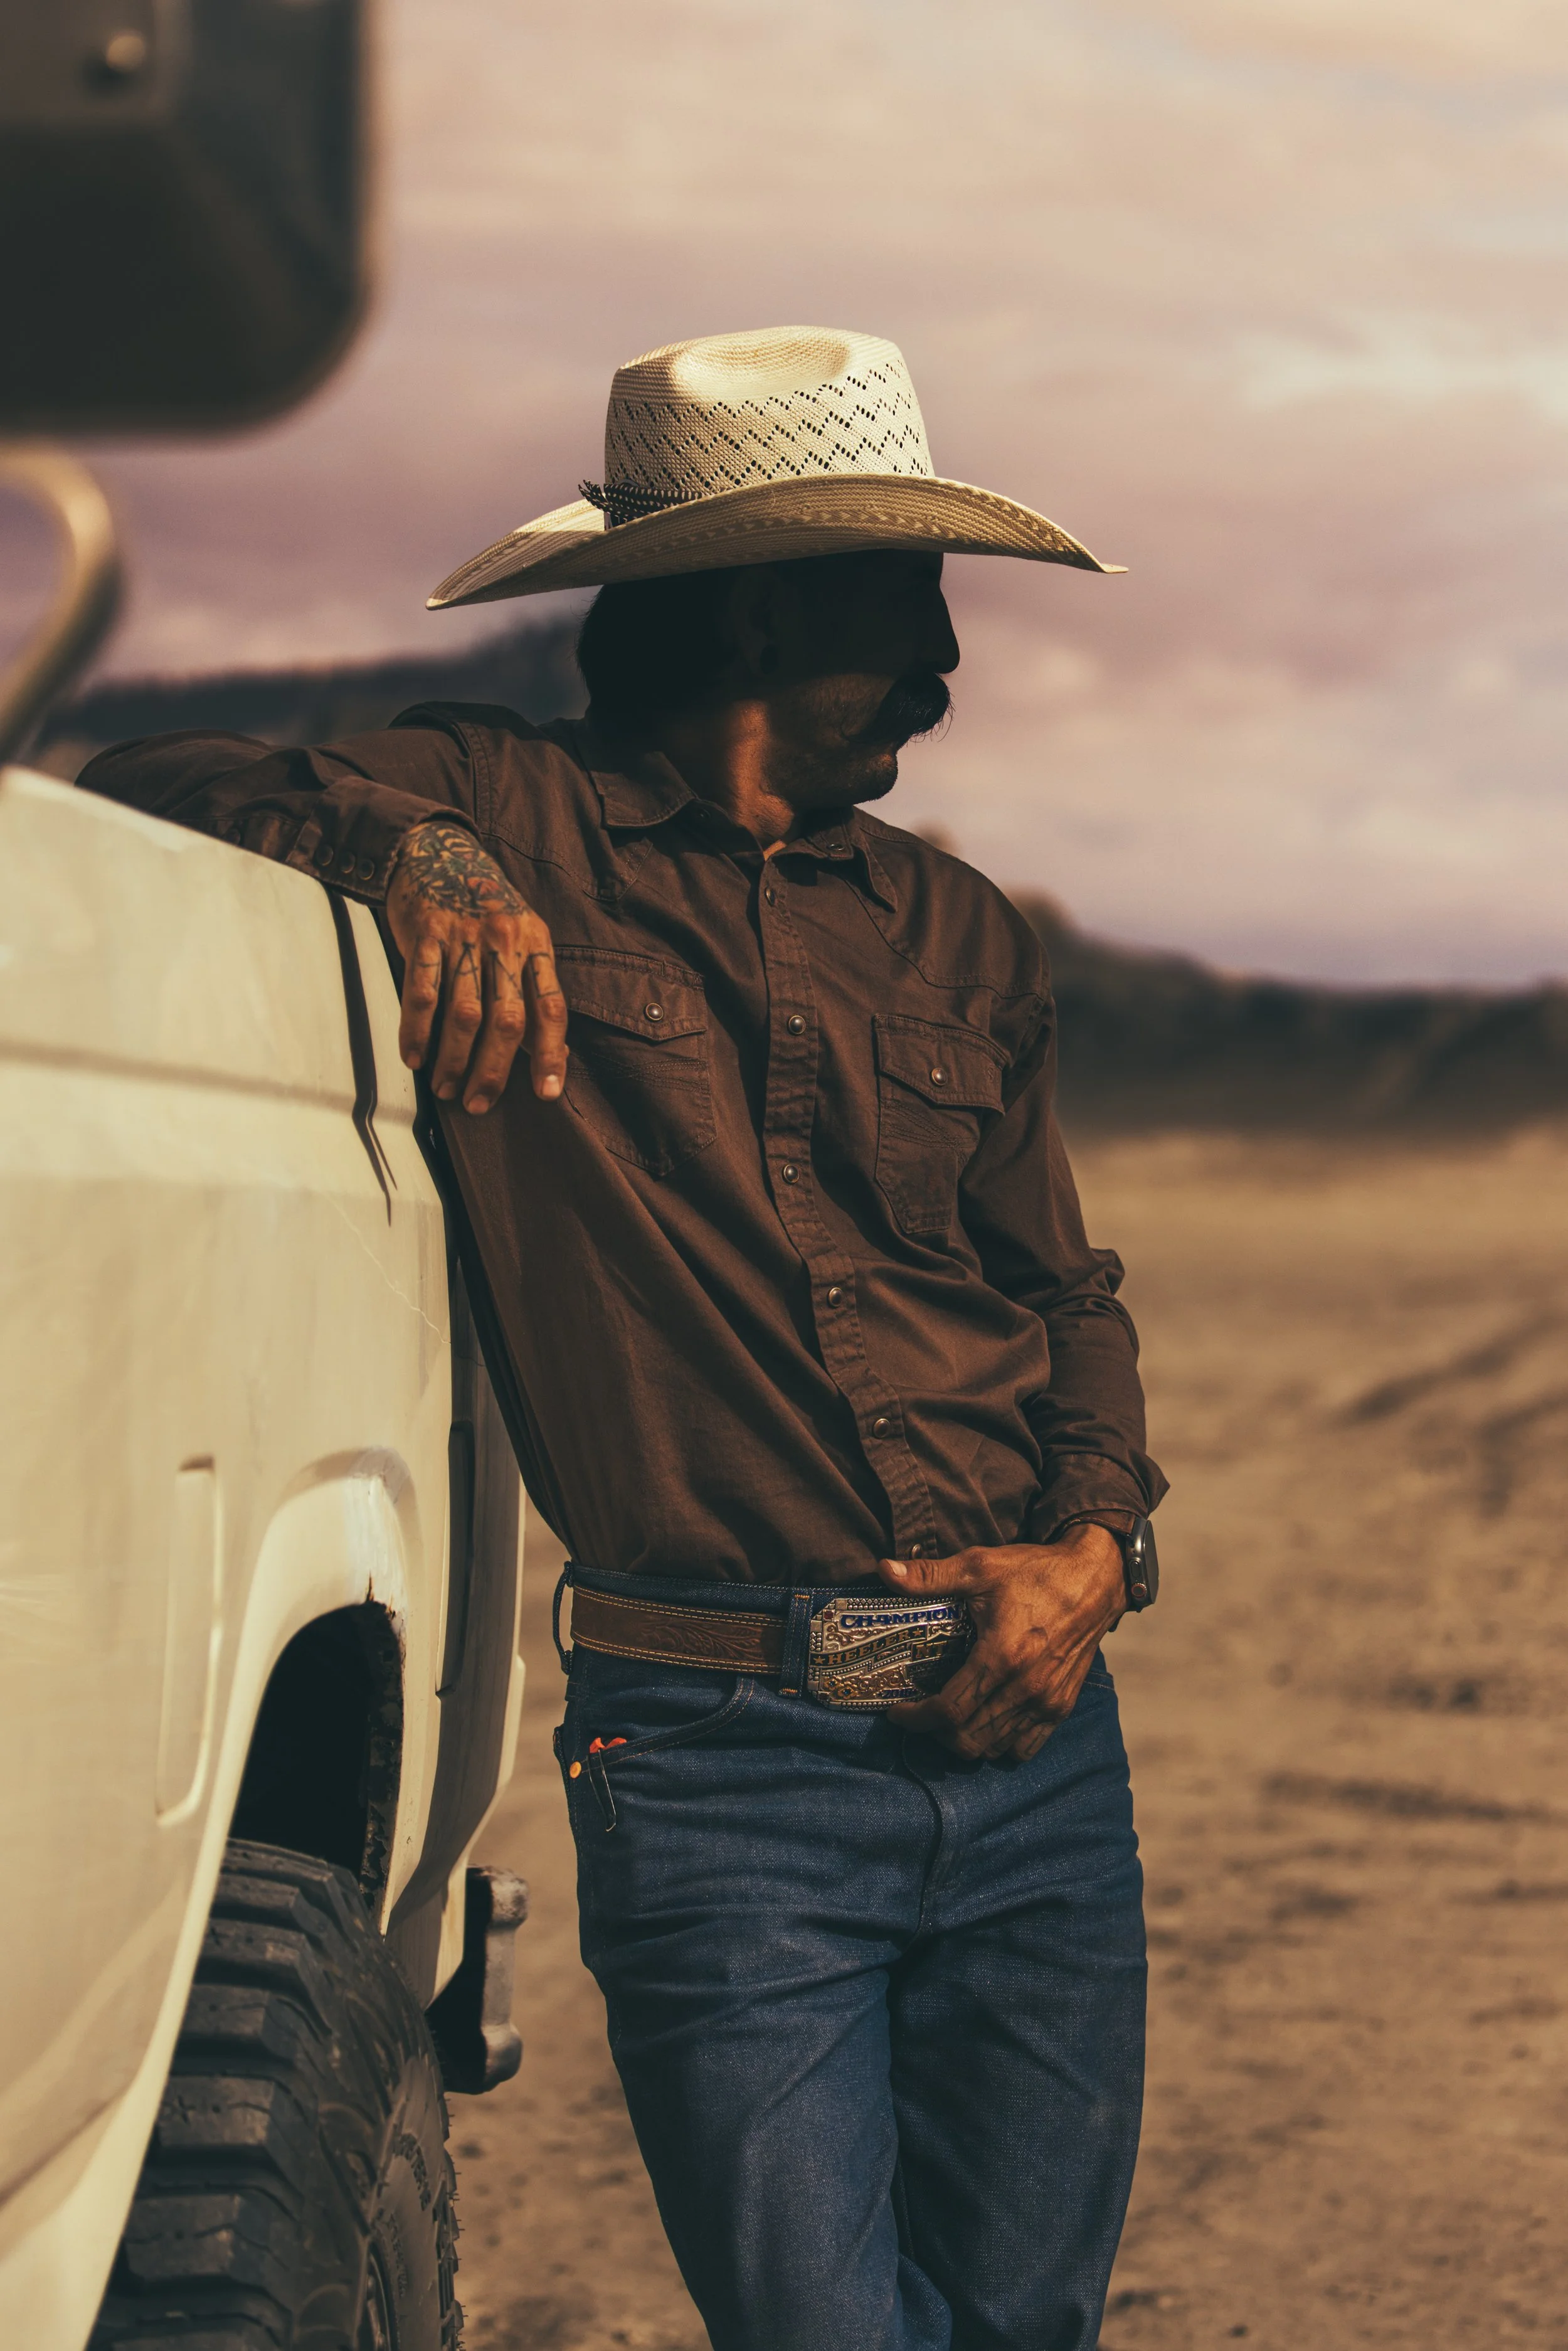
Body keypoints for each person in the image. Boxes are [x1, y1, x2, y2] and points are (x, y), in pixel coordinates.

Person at [83, 326, 1167, 2351]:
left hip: (1032, 1746)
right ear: (763, 601)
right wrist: (410, 853)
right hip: (721, 1765)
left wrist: (1095, 1548)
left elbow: (1062, 1299)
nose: (946, 670)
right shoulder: (490, 807)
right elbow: (142, 783)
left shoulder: (957, 934)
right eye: (907, 604)